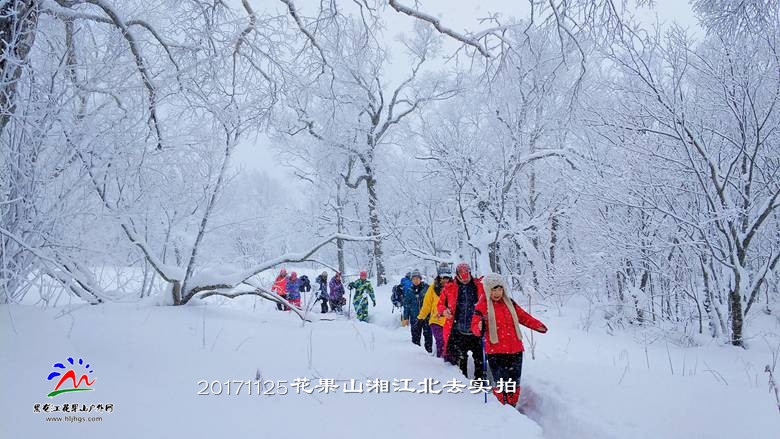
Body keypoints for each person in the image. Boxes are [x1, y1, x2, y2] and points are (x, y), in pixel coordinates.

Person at [472, 273, 548, 406]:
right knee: (501, 383)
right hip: (496, 351)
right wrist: (478, 327)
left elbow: (523, 316)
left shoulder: (510, 303)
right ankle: (502, 407)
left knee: (514, 383)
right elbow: (474, 326)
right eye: (494, 290)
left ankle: (512, 406)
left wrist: (538, 326)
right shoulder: (482, 306)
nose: (497, 293)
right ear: (488, 290)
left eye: (500, 289)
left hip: (515, 349)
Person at [437, 262, 485, 379]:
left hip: (476, 331)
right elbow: (440, 305)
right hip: (458, 331)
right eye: (461, 275)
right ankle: (464, 383)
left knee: (479, 360)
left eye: (466, 274)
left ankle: (479, 383)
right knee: (461, 360)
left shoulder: (480, 286)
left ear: (470, 273)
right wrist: (444, 311)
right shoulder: (449, 288)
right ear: (457, 275)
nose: (464, 279)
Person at [417, 264, 452, 359]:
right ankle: (440, 361)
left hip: (450, 321)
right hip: (436, 320)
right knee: (441, 341)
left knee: (449, 343)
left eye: (447, 277)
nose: (445, 280)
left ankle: (449, 362)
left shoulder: (454, 287)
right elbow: (427, 305)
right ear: (439, 276)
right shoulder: (433, 288)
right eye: (443, 277)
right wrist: (420, 318)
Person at [404, 270, 432, 352]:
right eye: (413, 279)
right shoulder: (409, 290)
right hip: (414, 318)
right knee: (415, 338)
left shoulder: (427, 288)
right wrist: (406, 318)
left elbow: (432, 301)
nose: (415, 281)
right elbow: (406, 305)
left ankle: (429, 353)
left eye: (417, 278)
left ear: (420, 279)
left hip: (426, 317)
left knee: (428, 336)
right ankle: (416, 355)